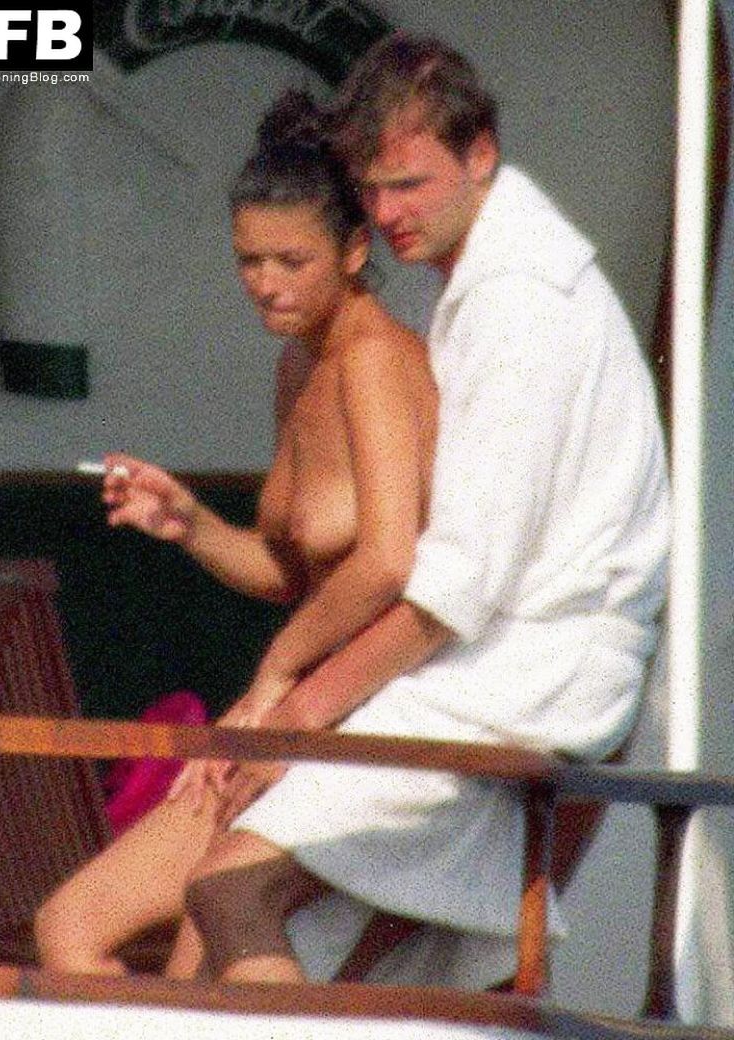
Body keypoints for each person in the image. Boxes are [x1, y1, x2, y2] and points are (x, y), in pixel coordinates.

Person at [176, 30, 669, 989]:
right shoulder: (497, 282)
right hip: (503, 665)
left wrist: (296, 714)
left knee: (230, 892)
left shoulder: (520, 305)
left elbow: (453, 587)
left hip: (524, 677)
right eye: (372, 190)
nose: (389, 214)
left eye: (409, 183)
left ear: (481, 154)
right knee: (309, 953)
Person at [34, 88, 439, 979]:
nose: (265, 282)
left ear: (356, 250)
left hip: (365, 712)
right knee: (72, 930)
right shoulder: (300, 361)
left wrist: (271, 683)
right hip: (292, 713)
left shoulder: (374, 359)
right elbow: (292, 572)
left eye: (291, 260)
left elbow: (388, 562)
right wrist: (190, 525)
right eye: (248, 260)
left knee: (203, 966)